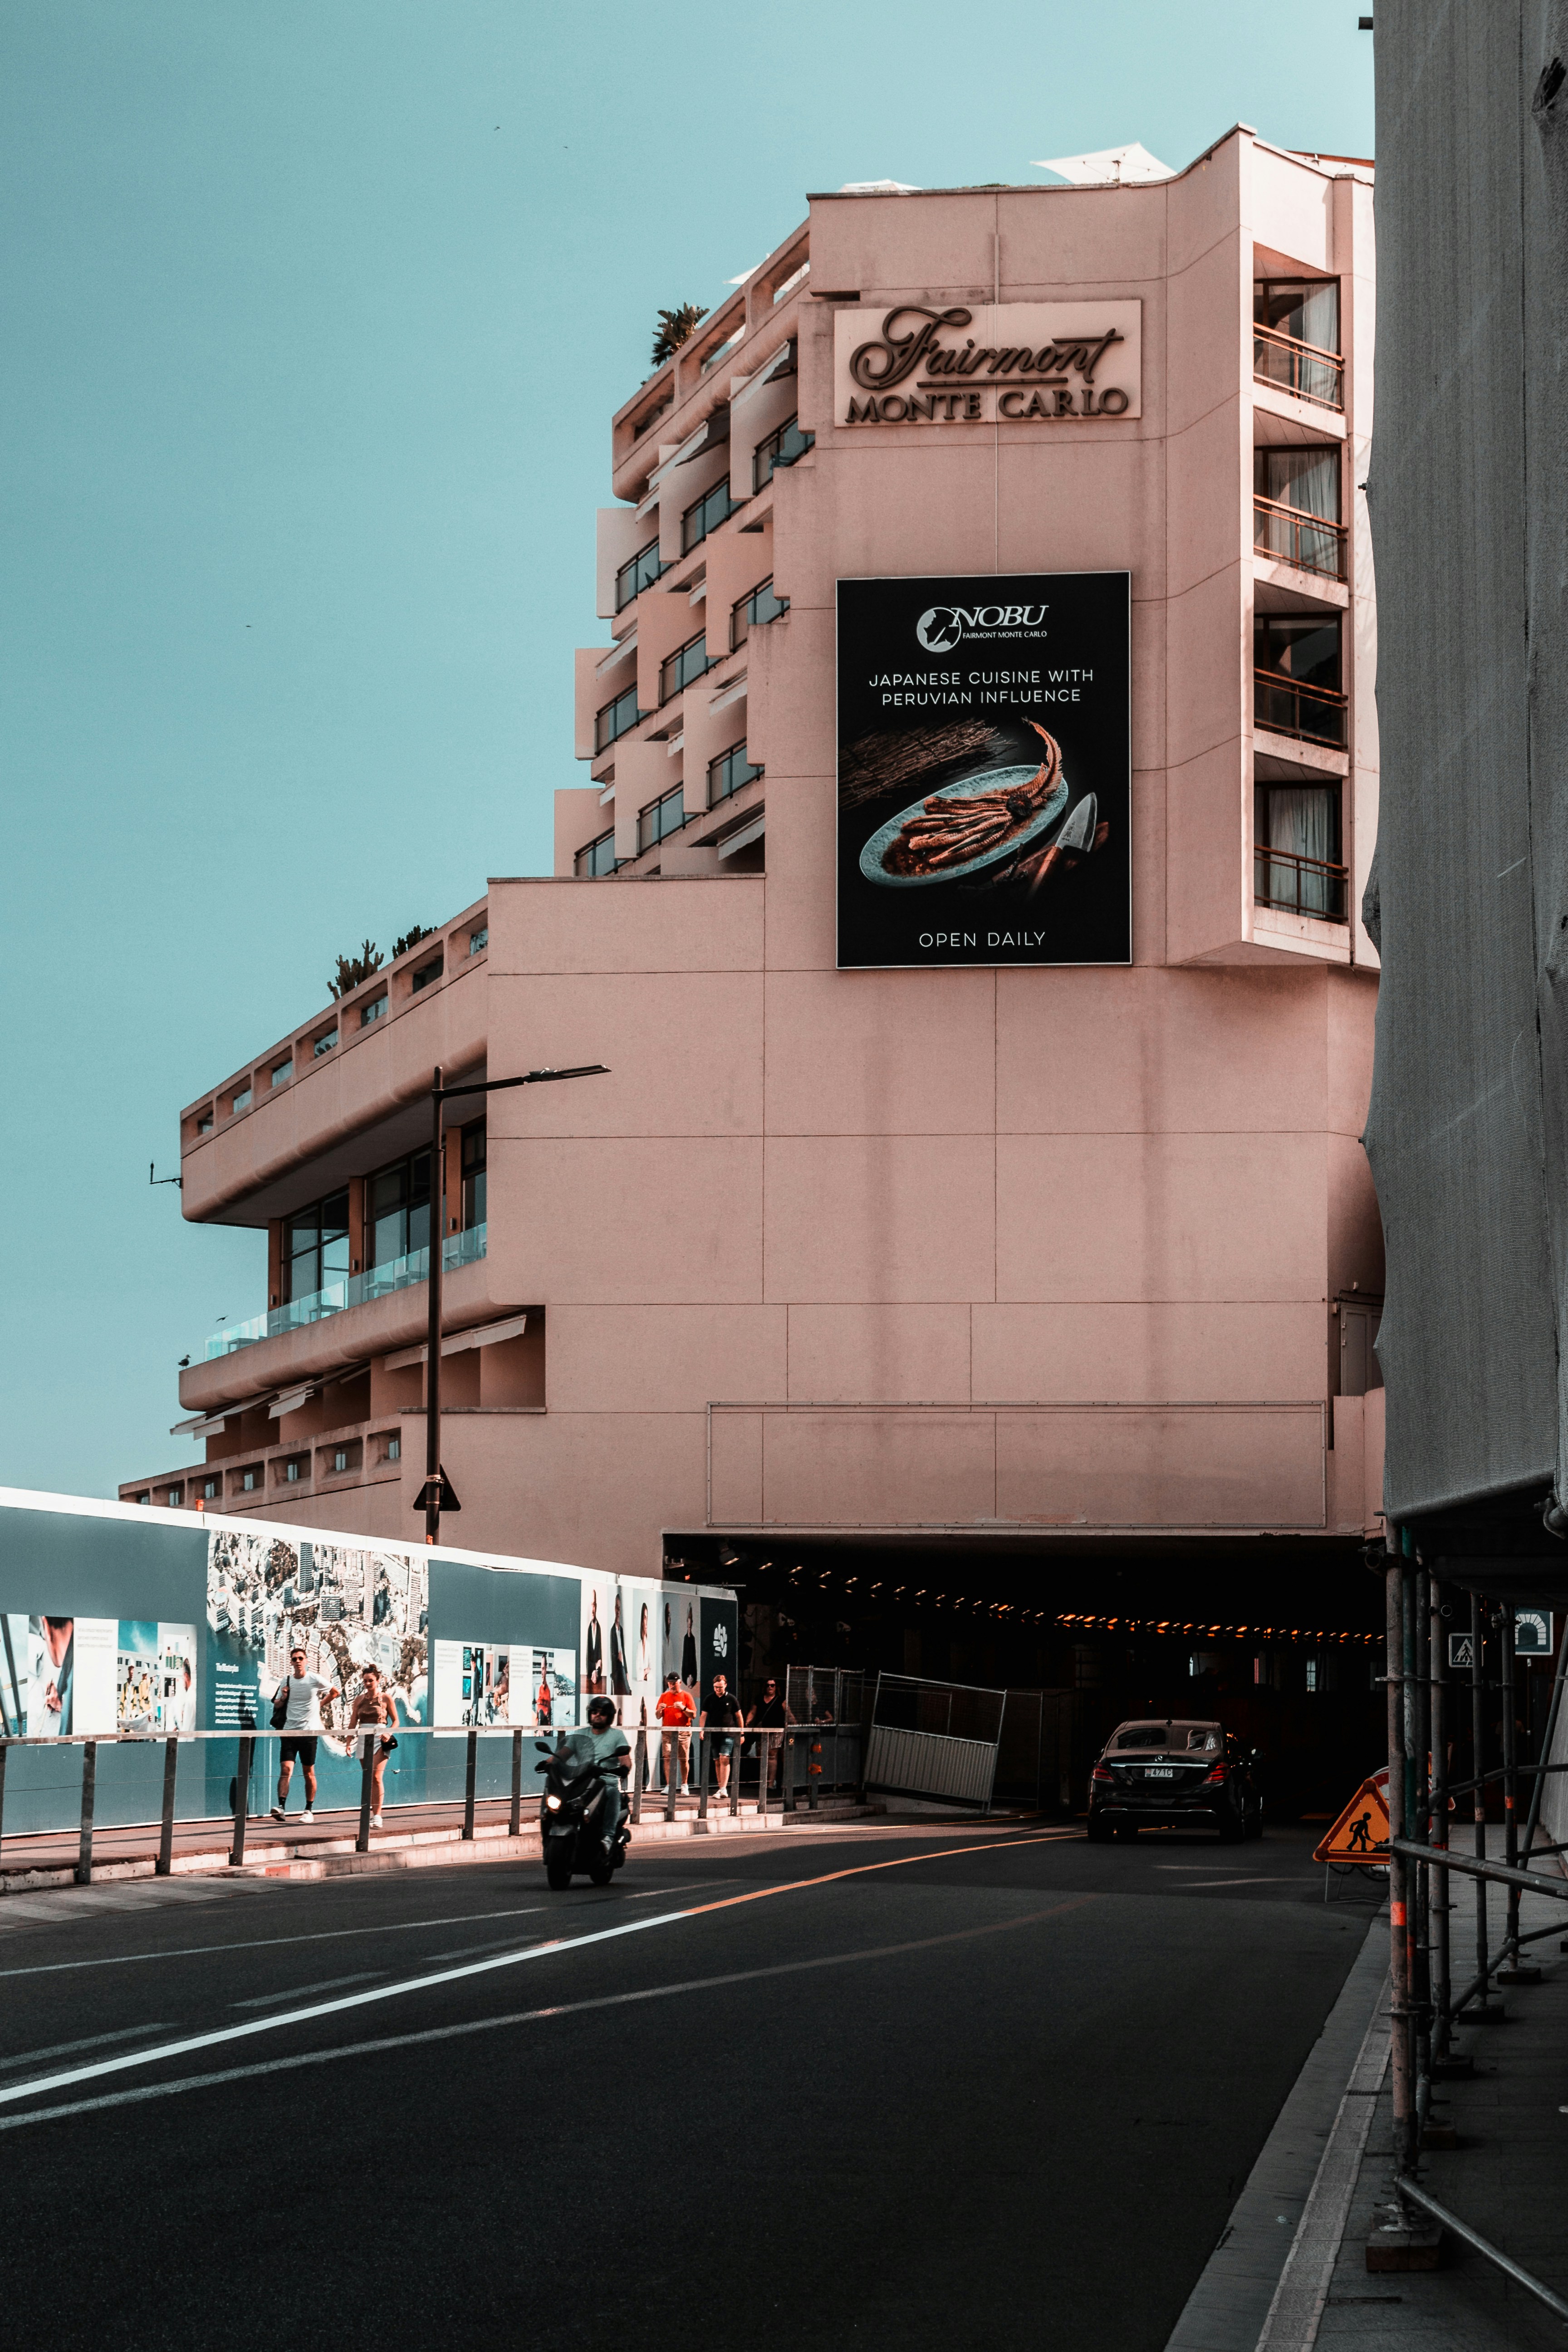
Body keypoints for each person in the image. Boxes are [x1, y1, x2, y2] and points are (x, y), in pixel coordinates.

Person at [271, 1644, 341, 1822]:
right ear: (291, 1662)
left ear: (306, 1661)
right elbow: (277, 1705)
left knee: (308, 1772)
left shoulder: (314, 1679)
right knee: (286, 1769)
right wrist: (284, 1697)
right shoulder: (287, 1680)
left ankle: (309, 1810)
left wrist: (320, 1705)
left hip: (309, 1733)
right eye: (295, 1659)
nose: (298, 1662)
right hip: (289, 1732)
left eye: (301, 1659)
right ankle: (281, 1807)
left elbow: (335, 1692)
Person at [345, 1664, 400, 1829]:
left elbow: (396, 1721)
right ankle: (369, 1814)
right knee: (368, 1778)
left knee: (376, 1777)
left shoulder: (386, 1699)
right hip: (363, 1738)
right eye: (365, 1681)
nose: (368, 1684)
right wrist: (348, 1742)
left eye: (371, 1680)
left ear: (378, 1680)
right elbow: (353, 1722)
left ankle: (377, 1816)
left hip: (380, 1737)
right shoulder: (359, 1700)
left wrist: (389, 1733)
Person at [584, 1694, 631, 1855]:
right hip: (582, 1782)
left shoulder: (616, 1735)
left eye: (602, 1713)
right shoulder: (581, 1733)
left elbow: (625, 1760)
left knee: (613, 1794)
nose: (597, 1715)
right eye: (594, 1712)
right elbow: (565, 1752)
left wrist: (624, 1769)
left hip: (605, 1782)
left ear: (610, 1717)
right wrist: (550, 1762)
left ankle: (608, 1837)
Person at [745, 1676, 797, 1791]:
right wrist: (747, 1722)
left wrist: (794, 1724)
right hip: (762, 1732)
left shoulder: (781, 1700)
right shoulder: (759, 1699)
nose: (770, 1687)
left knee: (772, 1755)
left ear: (776, 1687)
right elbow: (753, 1712)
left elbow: (788, 1713)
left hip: (776, 1731)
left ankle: (771, 1782)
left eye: (772, 1685)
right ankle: (764, 1780)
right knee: (761, 1755)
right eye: (768, 1685)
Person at [700, 1671, 742, 1802]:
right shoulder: (709, 1699)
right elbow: (703, 1716)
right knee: (717, 1760)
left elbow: (739, 1716)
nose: (718, 1689)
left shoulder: (732, 1699)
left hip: (728, 1733)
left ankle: (724, 1788)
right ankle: (721, 1788)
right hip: (714, 1734)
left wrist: (742, 1733)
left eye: (721, 1687)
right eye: (716, 1687)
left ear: (726, 1686)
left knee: (725, 1758)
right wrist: (701, 1730)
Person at [654, 1670, 695, 1793]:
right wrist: (659, 1710)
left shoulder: (687, 1696)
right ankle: (669, 1785)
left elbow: (693, 1715)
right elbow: (658, 1716)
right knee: (667, 1757)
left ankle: (684, 1784)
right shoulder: (664, 1696)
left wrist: (683, 1708)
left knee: (683, 1759)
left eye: (674, 1683)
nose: (672, 1686)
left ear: (680, 1683)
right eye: (670, 1683)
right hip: (668, 1731)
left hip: (683, 1732)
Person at [585, 1593, 603, 1694]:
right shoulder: (588, 1629)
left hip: (597, 1669)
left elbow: (600, 1657)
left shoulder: (599, 1628)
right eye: (592, 1605)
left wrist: (597, 1669)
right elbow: (588, 1657)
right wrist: (593, 1668)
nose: (593, 1609)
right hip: (590, 1670)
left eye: (595, 1605)